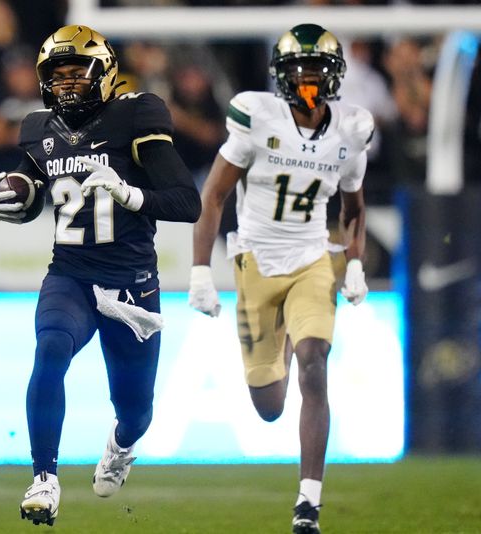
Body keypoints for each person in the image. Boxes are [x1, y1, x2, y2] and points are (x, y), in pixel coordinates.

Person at [0, 24, 201, 526]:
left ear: (106, 72)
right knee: (50, 347)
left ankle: (121, 446)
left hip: (131, 284)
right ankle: (44, 479)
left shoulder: (135, 115)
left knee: (136, 410)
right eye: (59, 74)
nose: (68, 83)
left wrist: (129, 194)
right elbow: (31, 196)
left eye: (79, 72)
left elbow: (188, 202)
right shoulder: (38, 128)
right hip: (70, 275)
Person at [187, 24, 371, 534]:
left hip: (313, 258)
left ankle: (308, 503)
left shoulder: (351, 130)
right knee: (269, 405)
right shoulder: (256, 117)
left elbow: (353, 207)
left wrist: (352, 260)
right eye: (299, 69)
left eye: (317, 69)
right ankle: (283, 336)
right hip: (256, 263)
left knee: (316, 361)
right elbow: (214, 196)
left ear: (334, 75)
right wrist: (202, 270)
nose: (308, 79)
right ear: (281, 75)